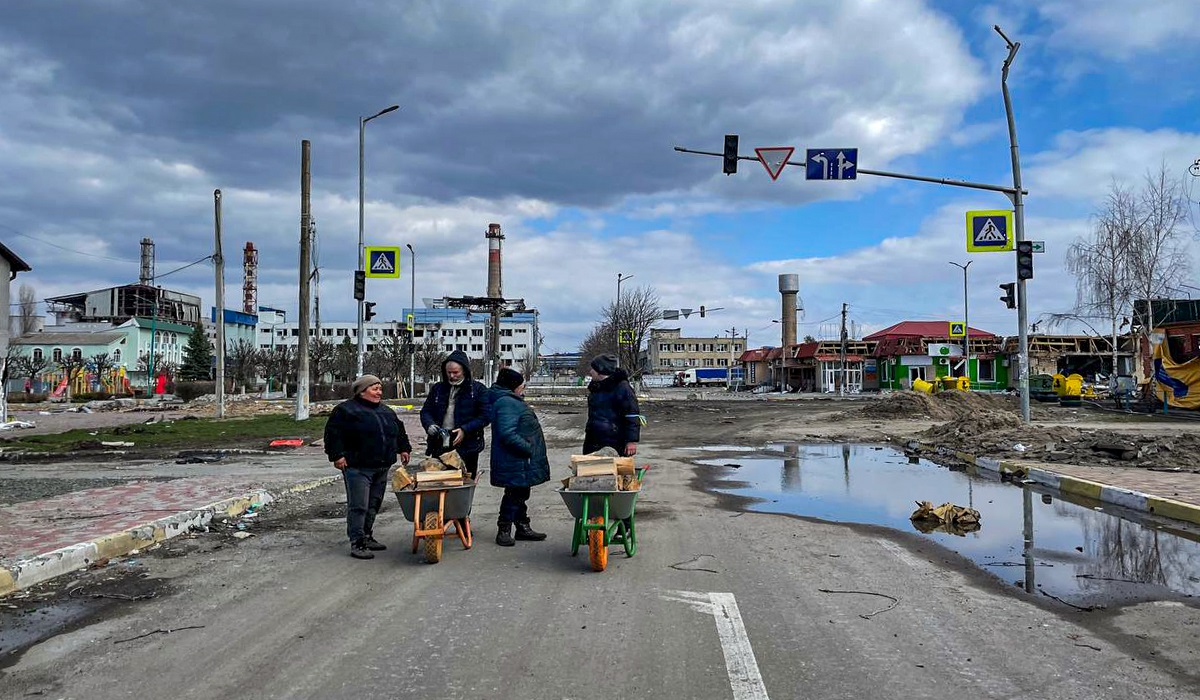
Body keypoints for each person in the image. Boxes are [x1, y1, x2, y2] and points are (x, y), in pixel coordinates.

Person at [324, 374, 412, 560]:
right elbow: (333, 434)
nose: (379, 392)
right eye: (374, 388)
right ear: (362, 391)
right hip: (357, 466)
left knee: (373, 504)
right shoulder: (346, 411)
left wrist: (404, 448)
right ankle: (357, 542)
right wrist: (337, 455)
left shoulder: (386, 411)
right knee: (359, 505)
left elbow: (398, 431)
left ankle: (367, 535)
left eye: (380, 388)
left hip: (382, 465)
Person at [488, 367, 549, 547]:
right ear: (513, 386)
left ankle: (522, 527)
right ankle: (504, 529)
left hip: (517, 459)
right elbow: (507, 433)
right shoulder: (507, 402)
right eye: (522, 385)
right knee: (515, 493)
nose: (523, 388)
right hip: (516, 458)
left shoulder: (508, 400)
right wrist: (528, 448)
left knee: (520, 492)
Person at [420, 350, 491, 479]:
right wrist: (429, 425)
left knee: (464, 482)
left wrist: (465, 429)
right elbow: (426, 411)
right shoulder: (438, 389)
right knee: (438, 482)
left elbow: (485, 416)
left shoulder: (478, 389)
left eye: (455, 372)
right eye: (449, 373)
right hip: (439, 443)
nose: (452, 376)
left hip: (467, 446)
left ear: (464, 370)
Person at [582, 354, 640, 457]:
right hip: (593, 441)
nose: (590, 372)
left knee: (612, 471)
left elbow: (632, 415)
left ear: (600, 370)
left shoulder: (622, 388)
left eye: (593, 369)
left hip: (614, 441)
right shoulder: (596, 387)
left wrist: (631, 441)